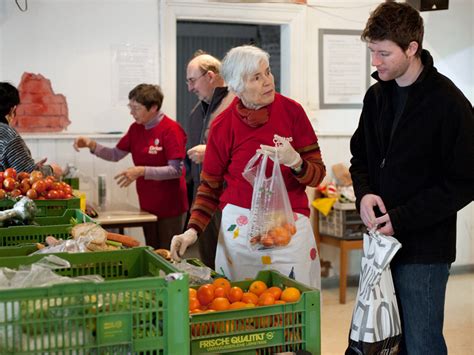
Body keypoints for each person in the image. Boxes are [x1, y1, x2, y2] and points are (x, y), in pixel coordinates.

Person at [349, 3, 474, 354]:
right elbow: (360, 157)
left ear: (412, 48)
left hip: (424, 251)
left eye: (384, 53)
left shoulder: (448, 103)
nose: (376, 61)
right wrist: (364, 194)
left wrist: (402, 218)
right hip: (380, 246)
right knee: (388, 342)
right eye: (372, 51)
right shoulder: (376, 97)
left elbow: (464, 180)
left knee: (422, 344)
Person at [171, 45, 326, 288]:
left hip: (290, 230)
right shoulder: (223, 125)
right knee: (241, 306)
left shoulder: (292, 112)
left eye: (267, 72)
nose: (267, 82)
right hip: (239, 236)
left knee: (295, 304)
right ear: (236, 87)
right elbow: (209, 187)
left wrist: (295, 162)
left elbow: (317, 176)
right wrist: (192, 231)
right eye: (256, 77)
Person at [73, 84, 188, 249]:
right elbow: (115, 154)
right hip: (148, 206)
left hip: (170, 206)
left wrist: (142, 171)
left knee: (169, 253)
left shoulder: (171, 129)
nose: (131, 112)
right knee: (153, 250)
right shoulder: (136, 129)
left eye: (136, 108)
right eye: (130, 107)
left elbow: (176, 170)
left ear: (154, 107)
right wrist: (90, 144)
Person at [185, 50, 235, 269]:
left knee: (228, 262)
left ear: (211, 76)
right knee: (208, 261)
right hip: (203, 195)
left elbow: (250, 151)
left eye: (192, 81)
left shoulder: (236, 105)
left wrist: (211, 152)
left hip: (227, 198)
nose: (190, 88)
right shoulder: (198, 110)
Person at [0, 82, 62, 177]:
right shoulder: (9, 136)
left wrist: (29, 164)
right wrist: (52, 169)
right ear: (12, 109)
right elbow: (26, 174)